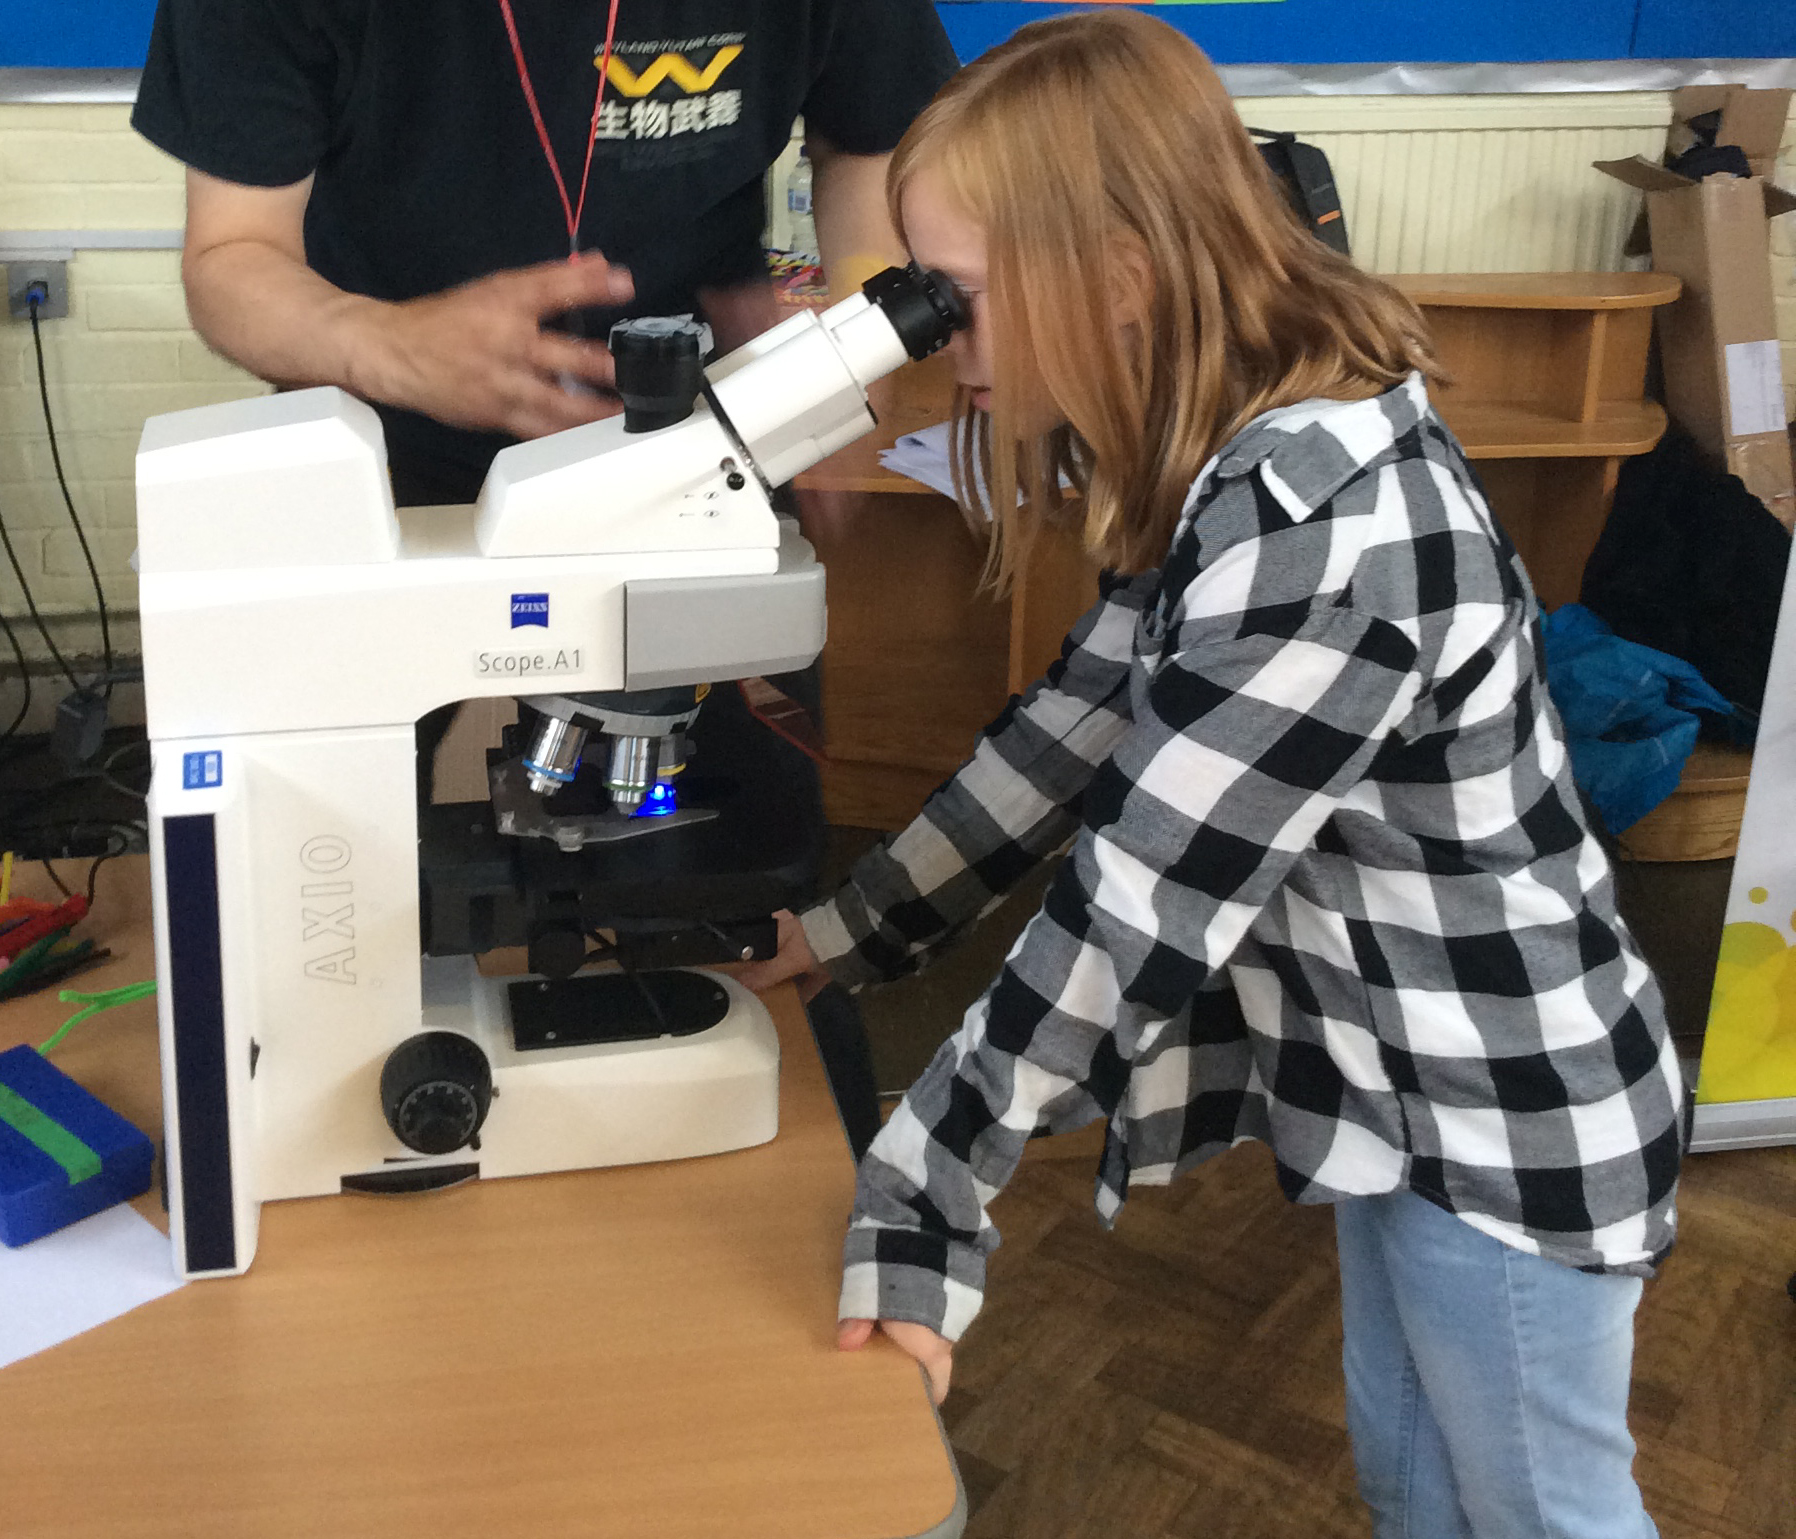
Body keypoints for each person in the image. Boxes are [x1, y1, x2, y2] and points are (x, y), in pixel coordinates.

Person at [735, 12, 1684, 1537]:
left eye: (956, 295)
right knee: (1418, 1492)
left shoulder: (1327, 537)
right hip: (1401, 1092)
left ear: (1119, 277)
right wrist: (847, 931)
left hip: (1505, 1115)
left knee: (1536, 1513)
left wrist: (922, 1202)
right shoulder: (1234, 460)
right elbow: (1067, 733)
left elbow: (1135, 914)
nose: (933, 337)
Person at [130, 0, 959, 506]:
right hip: (382, 451)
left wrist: (853, 344)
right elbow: (232, 255)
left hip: (709, 448)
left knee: (732, 739)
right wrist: (386, 345)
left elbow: (870, 134)